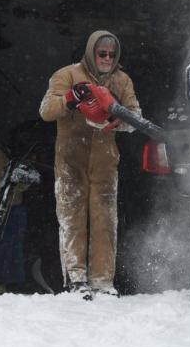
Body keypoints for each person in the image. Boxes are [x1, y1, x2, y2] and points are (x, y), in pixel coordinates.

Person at [39, 30, 141, 298]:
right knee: (72, 218)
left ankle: (103, 281)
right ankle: (76, 279)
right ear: (90, 53)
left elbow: (136, 116)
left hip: (105, 164)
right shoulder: (66, 75)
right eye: (101, 53)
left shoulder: (122, 80)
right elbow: (46, 111)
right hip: (71, 160)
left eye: (111, 54)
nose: (107, 58)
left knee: (104, 220)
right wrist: (70, 99)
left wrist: (121, 120)